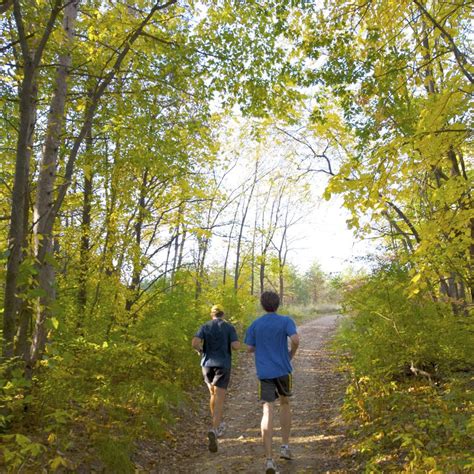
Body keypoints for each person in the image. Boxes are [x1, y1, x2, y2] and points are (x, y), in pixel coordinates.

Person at [245, 291, 300, 474]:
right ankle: (285, 447)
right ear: (278, 304)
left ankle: (269, 460)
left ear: (262, 305)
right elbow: (295, 340)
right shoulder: (286, 321)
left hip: (264, 372)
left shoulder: (256, 324)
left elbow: (250, 348)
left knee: (267, 409)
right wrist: (290, 355)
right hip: (283, 370)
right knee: (285, 403)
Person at [192, 304, 240, 453]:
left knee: (212, 394)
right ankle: (215, 429)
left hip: (206, 365)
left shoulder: (205, 326)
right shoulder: (229, 327)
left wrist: (201, 350)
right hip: (222, 364)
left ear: (211, 314)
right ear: (223, 314)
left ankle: (217, 423)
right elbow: (236, 346)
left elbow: (194, 343)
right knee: (219, 399)